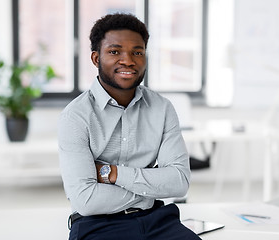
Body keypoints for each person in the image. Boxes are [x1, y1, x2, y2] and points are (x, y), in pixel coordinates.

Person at [58, 13, 201, 240]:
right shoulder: (75, 116)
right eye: (115, 52)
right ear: (96, 59)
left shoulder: (162, 108)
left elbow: (179, 182)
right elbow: (85, 200)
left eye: (137, 52)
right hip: (97, 224)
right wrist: (149, 192)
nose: (128, 60)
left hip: (158, 221)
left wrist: (112, 173)